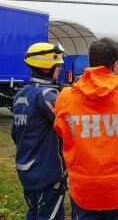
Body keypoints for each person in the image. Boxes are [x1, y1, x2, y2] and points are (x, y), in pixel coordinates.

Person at [53, 37, 118, 219]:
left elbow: (61, 130)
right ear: (116, 66)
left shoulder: (65, 97)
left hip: (84, 193)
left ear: (90, 61)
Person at [11, 42, 67, 219]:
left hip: (27, 170)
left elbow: (15, 133)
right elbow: (67, 128)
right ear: (46, 68)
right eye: (58, 66)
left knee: (34, 212)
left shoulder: (21, 95)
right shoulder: (47, 96)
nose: (60, 69)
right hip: (48, 174)